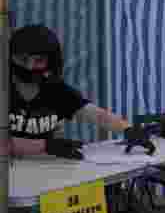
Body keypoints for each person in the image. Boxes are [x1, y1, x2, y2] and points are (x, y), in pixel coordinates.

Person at [7, 24, 139, 159]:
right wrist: (47, 146)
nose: (29, 66)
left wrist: (128, 129)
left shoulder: (54, 89)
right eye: (23, 59)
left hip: (43, 166)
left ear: (50, 61)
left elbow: (95, 114)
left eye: (39, 60)